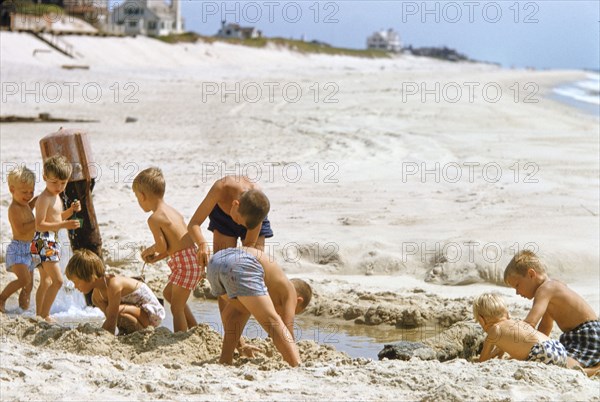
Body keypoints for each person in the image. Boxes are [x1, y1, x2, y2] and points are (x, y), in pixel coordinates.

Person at [207, 246, 312, 367]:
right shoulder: (290, 291)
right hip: (242, 262)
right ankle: (296, 365)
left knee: (240, 312)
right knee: (273, 322)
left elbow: (227, 317)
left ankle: (225, 359)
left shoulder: (268, 284)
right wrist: (293, 351)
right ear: (298, 301)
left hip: (215, 262)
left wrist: (242, 346)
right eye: (295, 311)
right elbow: (287, 327)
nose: (283, 312)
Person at [504, 250, 600, 371]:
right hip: (576, 335)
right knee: (558, 360)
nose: (517, 292)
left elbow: (529, 324)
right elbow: (545, 327)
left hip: (587, 334)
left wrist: (507, 340)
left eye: (517, 285)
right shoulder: (551, 288)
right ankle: (592, 364)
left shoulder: (545, 290)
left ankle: (595, 369)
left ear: (531, 274)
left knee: (563, 367)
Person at [133, 167, 202, 332]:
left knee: (176, 308)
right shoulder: (173, 211)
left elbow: (162, 246)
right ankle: (194, 329)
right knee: (169, 294)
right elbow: (175, 245)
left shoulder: (154, 218)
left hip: (186, 265)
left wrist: (148, 251)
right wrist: (156, 258)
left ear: (142, 196)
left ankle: (180, 339)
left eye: (137, 197)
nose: (138, 200)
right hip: (190, 259)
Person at [473, 293, 583, 370]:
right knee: (566, 368)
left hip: (541, 353)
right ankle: (594, 369)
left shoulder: (494, 331)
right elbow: (501, 350)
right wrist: (498, 356)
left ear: (482, 320)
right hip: (555, 346)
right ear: (507, 314)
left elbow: (483, 360)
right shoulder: (516, 323)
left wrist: (479, 359)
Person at [66, 249, 165, 334]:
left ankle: (143, 332)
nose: (75, 286)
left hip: (151, 313)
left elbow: (111, 319)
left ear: (90, 276)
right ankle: (132, 333)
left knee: (113, 311)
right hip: (135, 313)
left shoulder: (113, 284)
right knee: (114, 313)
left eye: (76, 282)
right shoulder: (96, 297)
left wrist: (102, 338)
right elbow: (113, 321)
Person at [31, 155, 81, 322]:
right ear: (45, 178)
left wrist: (71, 211)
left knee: (45, 281)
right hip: (43, 240)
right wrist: (64, 225)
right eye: (54, 182)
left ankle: (39, 315)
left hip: (49, 240)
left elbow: (57, 217)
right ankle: (45, 315)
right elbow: (39, 225)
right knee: (58, 281)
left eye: (63, 182)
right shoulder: (44, 198)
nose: (59, 186)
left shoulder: (56, 195)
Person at [187, 175, 272, 269]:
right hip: (223, 218)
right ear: (235, 204)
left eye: (243, 225)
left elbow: (248, 248)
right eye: (239, 221)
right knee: (221, 265)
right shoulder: (221, 188)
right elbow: (194, 223)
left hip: (252, 218)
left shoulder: (257, 206)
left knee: (254, 264)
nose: (238, 224)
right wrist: (202, 244)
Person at [0, 166, 37, 312]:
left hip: (30, 249)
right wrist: (38, 222)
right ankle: (2, 298)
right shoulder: (14, 209)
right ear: (12, 190)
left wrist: (38, 199)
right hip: (18, 250)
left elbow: (30, 206)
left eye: (31, 192)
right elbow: (21, 229)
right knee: (24, 280)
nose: (28, 195)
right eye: (24, 192)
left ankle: (23, 309)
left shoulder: (25, 204)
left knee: (29, 286)